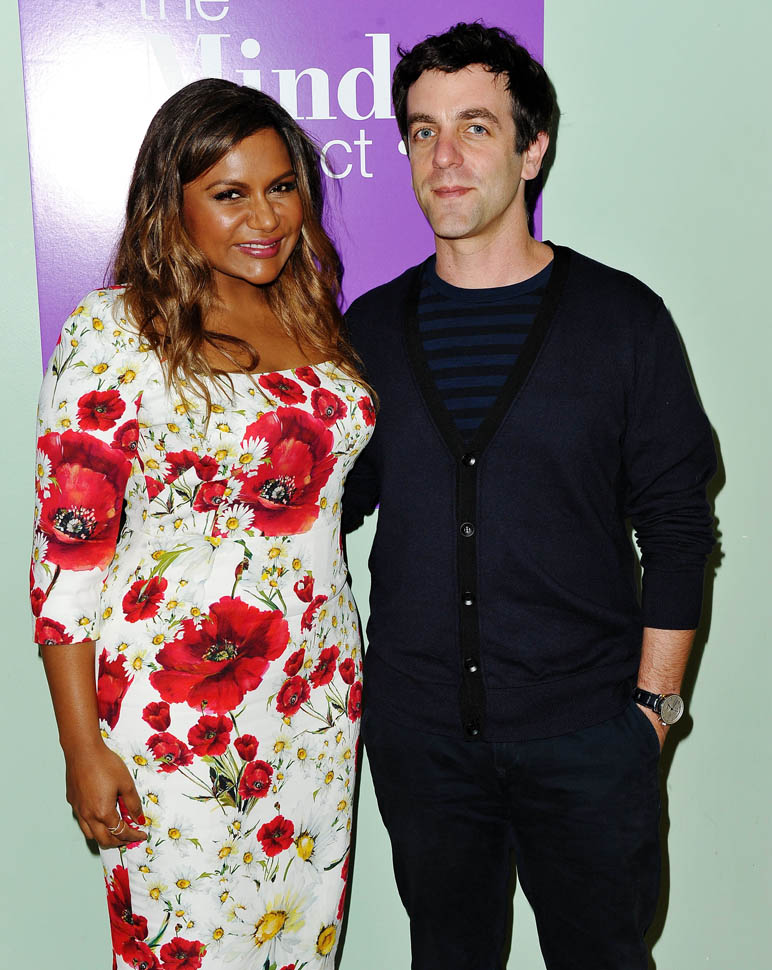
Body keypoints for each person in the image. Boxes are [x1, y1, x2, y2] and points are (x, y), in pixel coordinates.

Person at [343, 22, 716, 970]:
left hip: (590, 736)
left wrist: (652, 711)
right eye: (423, 130)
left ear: (533, 147)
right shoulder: (369, 331)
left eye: (475, 126)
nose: (445, 155)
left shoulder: (623, 320)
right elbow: (325, 508)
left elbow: (678, 527)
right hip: (423, 741)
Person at [31, 78, 374, 970]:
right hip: (178, 710)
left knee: (296, 938)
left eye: (281, 186)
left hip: (316, 697)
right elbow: (68, 558)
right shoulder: (117, 329)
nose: (265, 217)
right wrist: (80, 745)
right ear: (171, 203)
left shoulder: (310, 315)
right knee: (186, 946)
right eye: (230, 193)